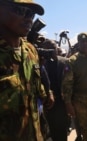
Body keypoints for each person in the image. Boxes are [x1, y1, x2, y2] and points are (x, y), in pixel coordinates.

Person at [0, 0, 54, 140]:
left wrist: (46, 92)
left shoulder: (30, 50)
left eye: (31, 13)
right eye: (20, 10)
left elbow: (33, 90)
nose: (29, 18)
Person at [62, 32, 87, 141]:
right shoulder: (72, 61)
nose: (85, 44)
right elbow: (67, 84)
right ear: (78, 43)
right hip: (80, 100)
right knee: (85, 128)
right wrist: (68, 103)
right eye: (82, 41)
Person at [38, 39, 69, 141]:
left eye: (54, 48)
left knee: (62, 127)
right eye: (48, 49)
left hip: (62, 100)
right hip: (48, 101)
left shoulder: (65, 62)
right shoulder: (40, 64)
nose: (52, 51)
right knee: (51, 128)